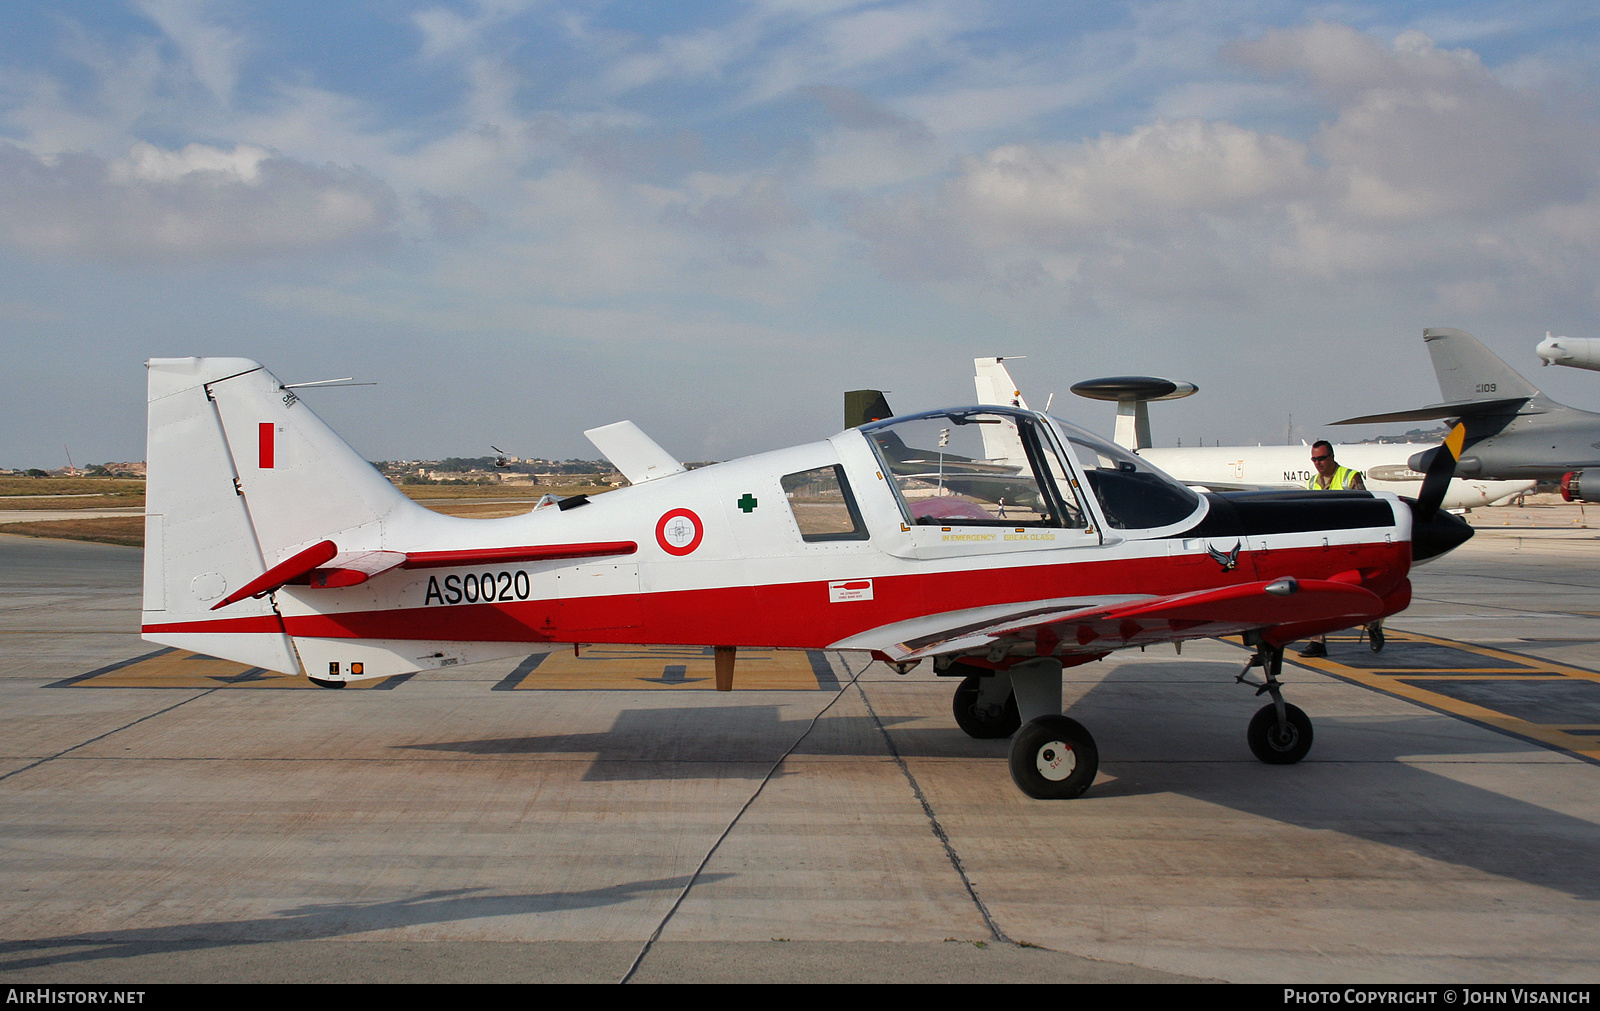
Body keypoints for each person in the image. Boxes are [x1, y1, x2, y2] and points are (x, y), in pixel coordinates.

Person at [1298, 442, 1384, 657]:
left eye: (1322, 458)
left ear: (1332, 457)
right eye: (1314, 460)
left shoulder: (1349, 477)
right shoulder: (1312, 482)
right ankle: (1317, 641)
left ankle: (1374, 627)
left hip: (1348, 545)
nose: (1318, 463)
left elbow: (1365, 510)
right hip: (1323, 546)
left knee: (1360, 591)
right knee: (1316, 592)